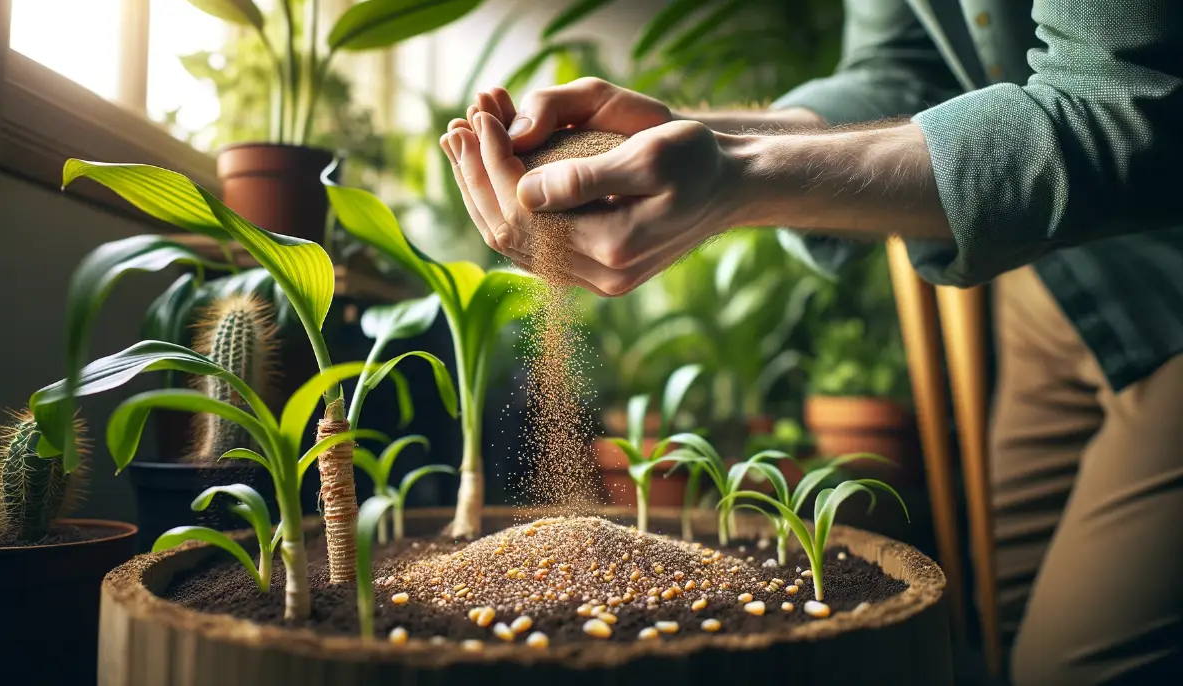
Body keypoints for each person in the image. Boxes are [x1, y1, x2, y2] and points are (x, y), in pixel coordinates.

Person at [439, 1, 1183, 684]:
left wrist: (740, 176)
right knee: (995, 627)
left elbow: (1131, 103)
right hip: (1057, 286)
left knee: (1072, 663)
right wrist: (692, 139)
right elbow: (899, 75)